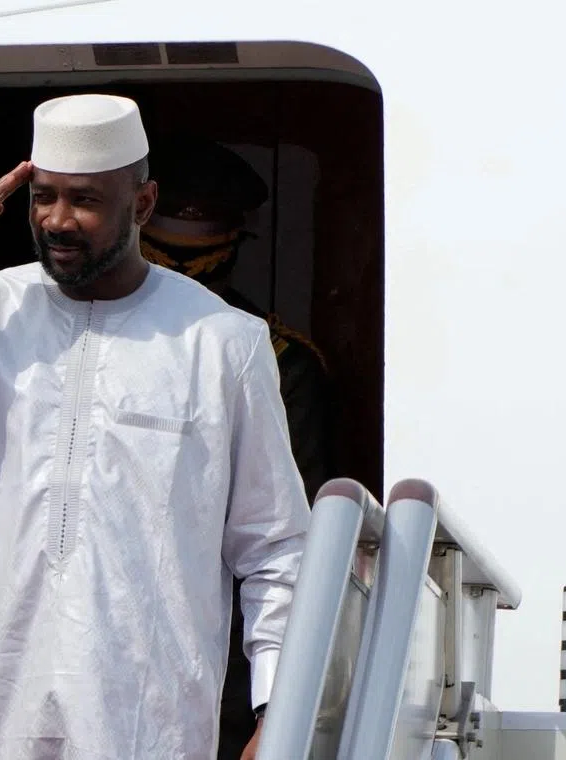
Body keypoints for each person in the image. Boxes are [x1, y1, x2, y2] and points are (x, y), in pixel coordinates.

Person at [0, 93, 310, 760]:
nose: (58, 221)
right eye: (43, 197)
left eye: (86, 200)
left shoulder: (223, 342)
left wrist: (278, 709)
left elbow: (274, 545)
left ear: (144, 204)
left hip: (144, 719)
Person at [138, 134, 332, 759]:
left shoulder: (280, 361)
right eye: (165, 255)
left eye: (202, 258)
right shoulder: (71, 339)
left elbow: (291, 540)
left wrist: (274, 705)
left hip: (223, 652)